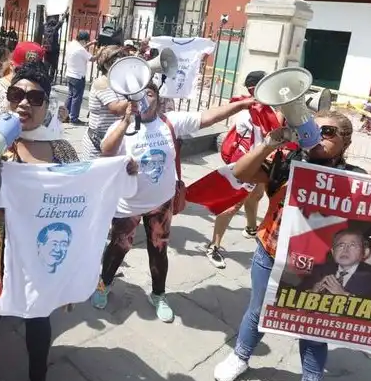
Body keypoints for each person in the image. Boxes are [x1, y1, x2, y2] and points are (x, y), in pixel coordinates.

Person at [0, 61, 136, 381]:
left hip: (39, 257)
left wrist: (118, 172)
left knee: (38, 317)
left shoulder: (60, 149)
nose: (24, 103)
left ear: (47, 105)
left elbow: (84, 187)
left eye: (35, 98)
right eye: (16, 94)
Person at [213, 112, 371, 381]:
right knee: (258, 311)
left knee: (312, 325)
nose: (318, 135)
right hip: (271, 254)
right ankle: (240, 356)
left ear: (346, 142)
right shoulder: (286, 163)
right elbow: (240, 173)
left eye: (328, 131)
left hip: (319, 266)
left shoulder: (357, 180)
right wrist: (269, 143)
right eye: (312, 128)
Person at [91, 83, 253, 322]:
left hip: (161, 203)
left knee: (159, 249)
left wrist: (240, 105)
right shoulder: (121, 126)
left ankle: (158, 294)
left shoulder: (170, 122)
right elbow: (106, 150)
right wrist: (126, 121)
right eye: (138, 94)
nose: (144, 98)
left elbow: (207, 117)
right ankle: (103, 285)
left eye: (149, 93)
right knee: (118, 246)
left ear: (157, 98)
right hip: (129, 204)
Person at [205, 70, 283, 269]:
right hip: (246, 162)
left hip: (259, 160)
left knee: (256, 195)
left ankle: (250, 228)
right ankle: (213, 246)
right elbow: (266, 131)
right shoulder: (249, 108)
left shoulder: (262, 106)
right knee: (232, 204)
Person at [298, 228, 371, 304]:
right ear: (333, 252)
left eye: (353, 245)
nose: (345, 250)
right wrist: (310, 293)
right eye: (341, 245)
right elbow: (292, 298)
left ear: (365, 252)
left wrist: (344, 295)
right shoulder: (318, 270)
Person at [0, 41, 46, 139]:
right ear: (11, 65)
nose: (26, 75)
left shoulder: (43, 90)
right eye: (20, 71)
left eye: (34, 72)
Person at [80, 46, 132, 160]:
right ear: (106, 64)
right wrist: (135, 95)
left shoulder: (120, 83)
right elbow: (116, 109)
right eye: (116, 60)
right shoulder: (102, 82)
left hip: (115, 138)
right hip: (97, 141)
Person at [64, 30, 96, 126]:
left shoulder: (71, 45)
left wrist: (91, 43)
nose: (86, 43)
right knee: (77, 98)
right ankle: (74, 118)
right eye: (86, 41)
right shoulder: (81, 50)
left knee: (70, 96)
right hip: (78, 76)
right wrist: (102, 51)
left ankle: (64, 116)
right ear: (82, 40)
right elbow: (92, 59)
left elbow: (81, 48)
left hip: (69, 74)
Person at [41, 11, 68, 83]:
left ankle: (45, 79)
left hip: (46, 50)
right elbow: (61, 20)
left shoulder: (45, 28)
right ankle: (51, 80)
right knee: (53, 66)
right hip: (54, 51)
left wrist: (45, 12)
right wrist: (66, 11)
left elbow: (44, 20)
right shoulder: (55, 29)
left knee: (46, 65)